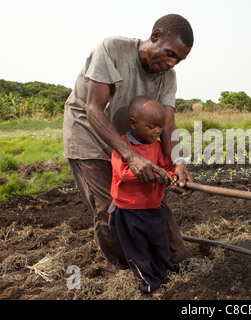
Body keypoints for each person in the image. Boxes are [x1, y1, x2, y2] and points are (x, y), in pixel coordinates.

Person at [63, 14, 193, 277]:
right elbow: (93, 109)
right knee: (113, 203)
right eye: (169, 53)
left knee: (149, 198)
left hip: (128, 141)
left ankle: (170, 260)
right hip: (88, 134)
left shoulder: (168, 77)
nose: (171, 63)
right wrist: (131, 158)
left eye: (178, 59)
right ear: (155, 36)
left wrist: (178, 162)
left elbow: (168, 125)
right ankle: (122, 268)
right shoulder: (112, 49)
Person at [108, 97, 176, 296]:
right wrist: (157, 176)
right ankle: (151, 285)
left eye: (160, 127)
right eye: (151, 126)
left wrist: (172, 177)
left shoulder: (156, 146)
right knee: (138, 253)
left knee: (161, 246)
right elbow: (126, 174)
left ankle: (167, 277)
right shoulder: (123, 147)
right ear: (133, 124)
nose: (157, 131)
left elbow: (167, 166)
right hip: (129, 212)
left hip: (154, 207)